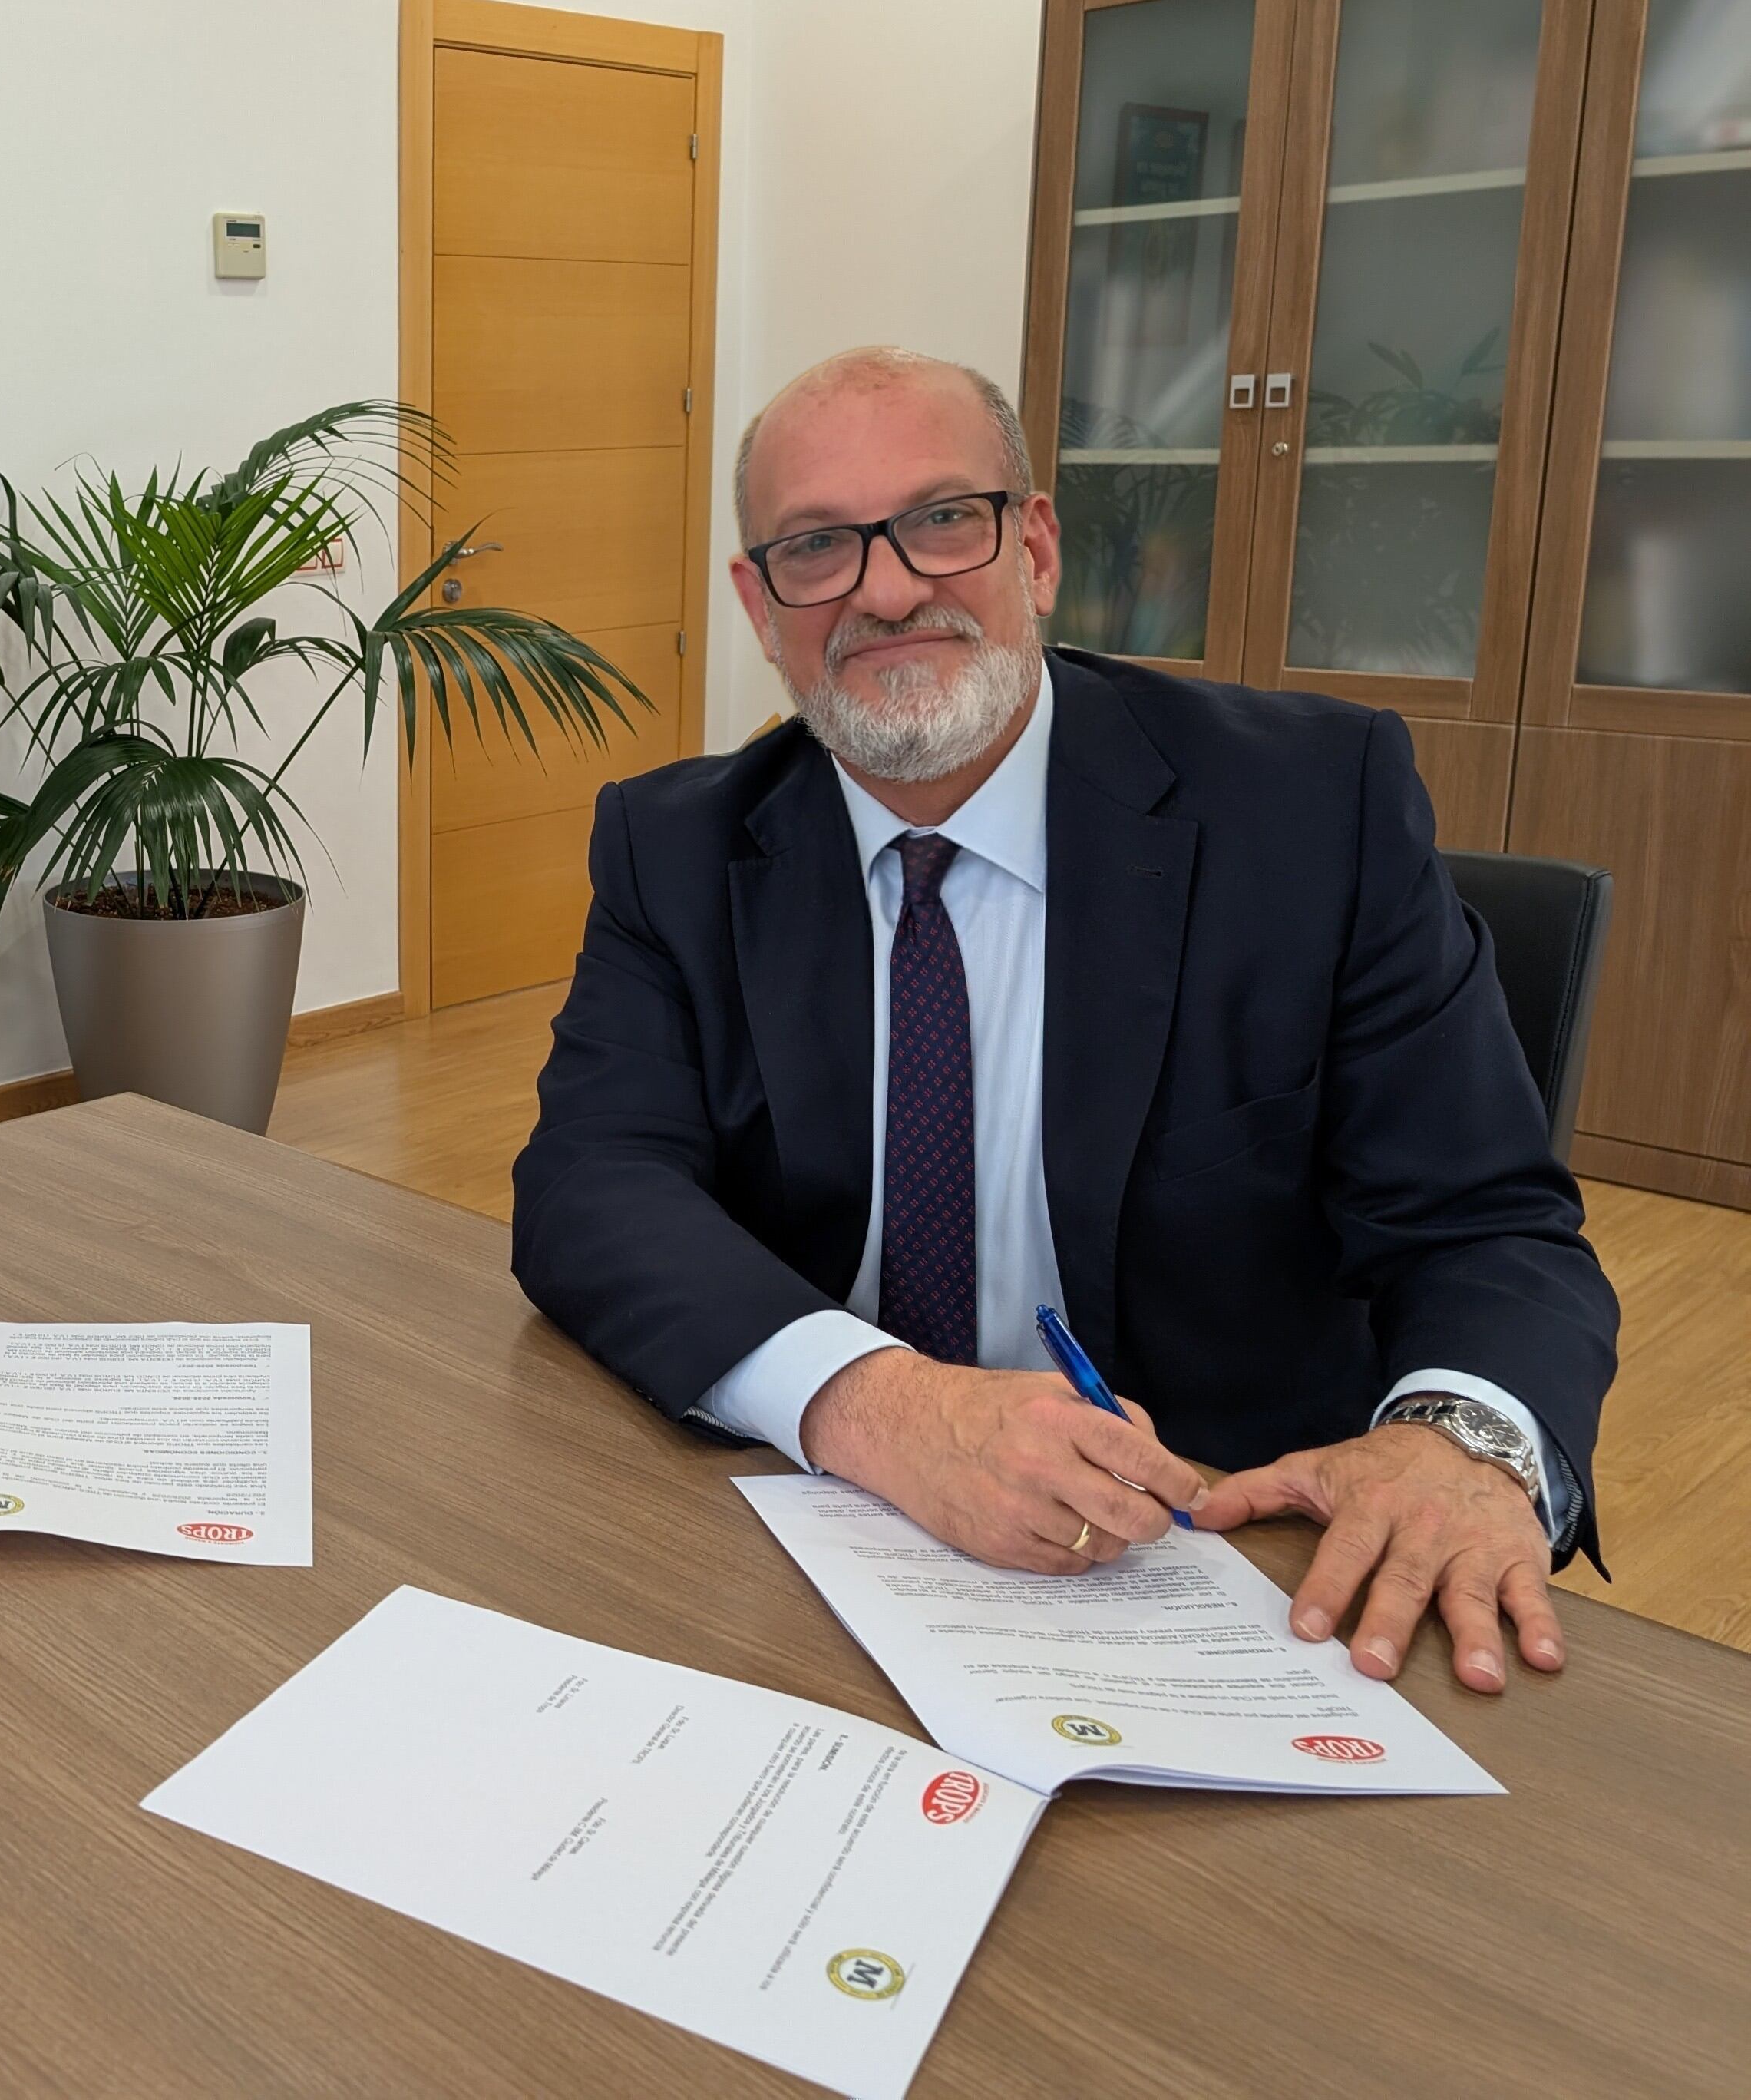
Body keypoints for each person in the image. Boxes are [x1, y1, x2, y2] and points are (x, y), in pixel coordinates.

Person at [512, 346, 1619, 1696]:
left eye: (942, 520)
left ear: (1033, 549)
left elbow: (1485, 1222)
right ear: (759, 602)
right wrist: (881, 1407)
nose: (886, 589)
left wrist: (1457, 1441)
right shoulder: (676, 846)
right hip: (833, 1536)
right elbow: (591, 1182)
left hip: (1230, 1559)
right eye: (817, 547)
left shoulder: (1312, 810)